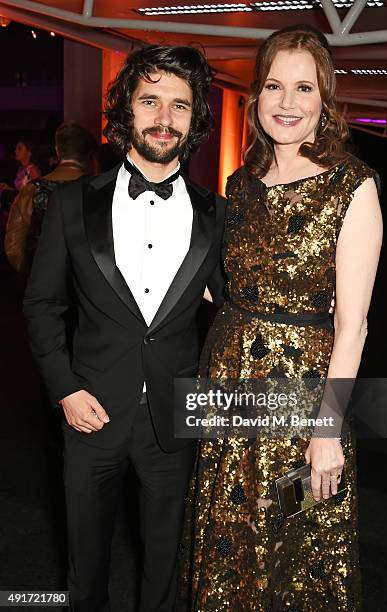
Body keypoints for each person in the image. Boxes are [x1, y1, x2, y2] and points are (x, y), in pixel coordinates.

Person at [179, 25, 382, 610]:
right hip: (228, 385)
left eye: (304, 88)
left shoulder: (353, 187)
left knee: (288, 545)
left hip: (301, 400)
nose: (287, 103)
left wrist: (328, 429)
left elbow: (354, 325)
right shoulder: (239, 185)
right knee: (229, 548)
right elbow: (227, 289)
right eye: (274, 85)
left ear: (326, 101)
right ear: (256, 97)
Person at [23, 45, 225, 612]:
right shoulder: (69, 204)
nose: (164, 118)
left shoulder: (219, 214)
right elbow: (41, 304)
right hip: (89, 411)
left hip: (175, 414)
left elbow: (236, 309)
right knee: (85, 565)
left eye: (180, 106)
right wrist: (64, 387)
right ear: (125, 113)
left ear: (194, 120)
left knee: (166, 564)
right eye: (150, 101)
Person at [5, 122, 97, 275]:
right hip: (89, 284)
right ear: (89, 154)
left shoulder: (33, 189)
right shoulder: (99, 189)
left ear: (57, 150)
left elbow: (13, 246)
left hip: (42, 279)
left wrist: (34, 275)